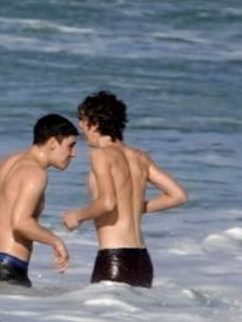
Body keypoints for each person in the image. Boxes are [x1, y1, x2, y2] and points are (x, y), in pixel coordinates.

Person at [61, 91, 189, 287]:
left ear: (94, 123)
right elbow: (178, 195)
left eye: (83, 122)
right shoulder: (139, 157)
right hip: (142, 261)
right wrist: (133, 207)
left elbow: (107, 202)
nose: (80, 127)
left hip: (114, 260)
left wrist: (78, 215)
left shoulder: (101, 155)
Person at [0, 114, 78, 287]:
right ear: (53, 143)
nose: (74, 154)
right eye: (70, 146)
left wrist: (4, 210)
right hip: (8, 268)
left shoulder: (10, 161)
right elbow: (21, 224)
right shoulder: (36, 173)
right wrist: (56, 241)